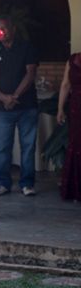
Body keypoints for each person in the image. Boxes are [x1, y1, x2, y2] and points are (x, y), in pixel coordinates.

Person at [0, 15, 39, 196]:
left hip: (27, 107)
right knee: (2, 148)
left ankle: (27, 184)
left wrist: (13, 96)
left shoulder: (26, 47)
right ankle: (3, 183)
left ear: (13, 29)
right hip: (2, 108)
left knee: (28, 147)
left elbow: (31, 74)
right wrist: (3, 98)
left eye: (6, 27)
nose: (3, 31)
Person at [57, 53, 81, 202]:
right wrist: (60, 108)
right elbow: (66, 84)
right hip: (76, 108)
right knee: (77, 144)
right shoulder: (73, 59)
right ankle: (76, 189)